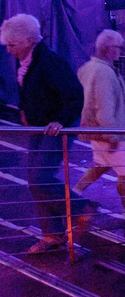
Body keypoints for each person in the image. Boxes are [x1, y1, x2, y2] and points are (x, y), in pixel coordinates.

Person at [0, 14, 94, 254]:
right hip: (38, 127)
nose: (9, 50)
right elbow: (30, 91)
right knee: (34, 180)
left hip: (54, 128)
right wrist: (25, 111)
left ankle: (81, 207)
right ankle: (52, 234)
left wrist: (59, 120)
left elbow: (74, 94)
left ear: (28, 40)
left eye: (12, 44)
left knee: (39, 178)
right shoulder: (27, 60)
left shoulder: (49, 61)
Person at [73, 30, 125, 220]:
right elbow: (104, 105)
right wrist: (112, 135)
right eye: (118, 47)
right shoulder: (104, 73)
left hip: (96, 130)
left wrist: (124, 107)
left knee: (101, 163)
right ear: (109, 49)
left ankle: (76, 191)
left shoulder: (87, 68)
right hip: (112, 130)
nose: (120, 50)